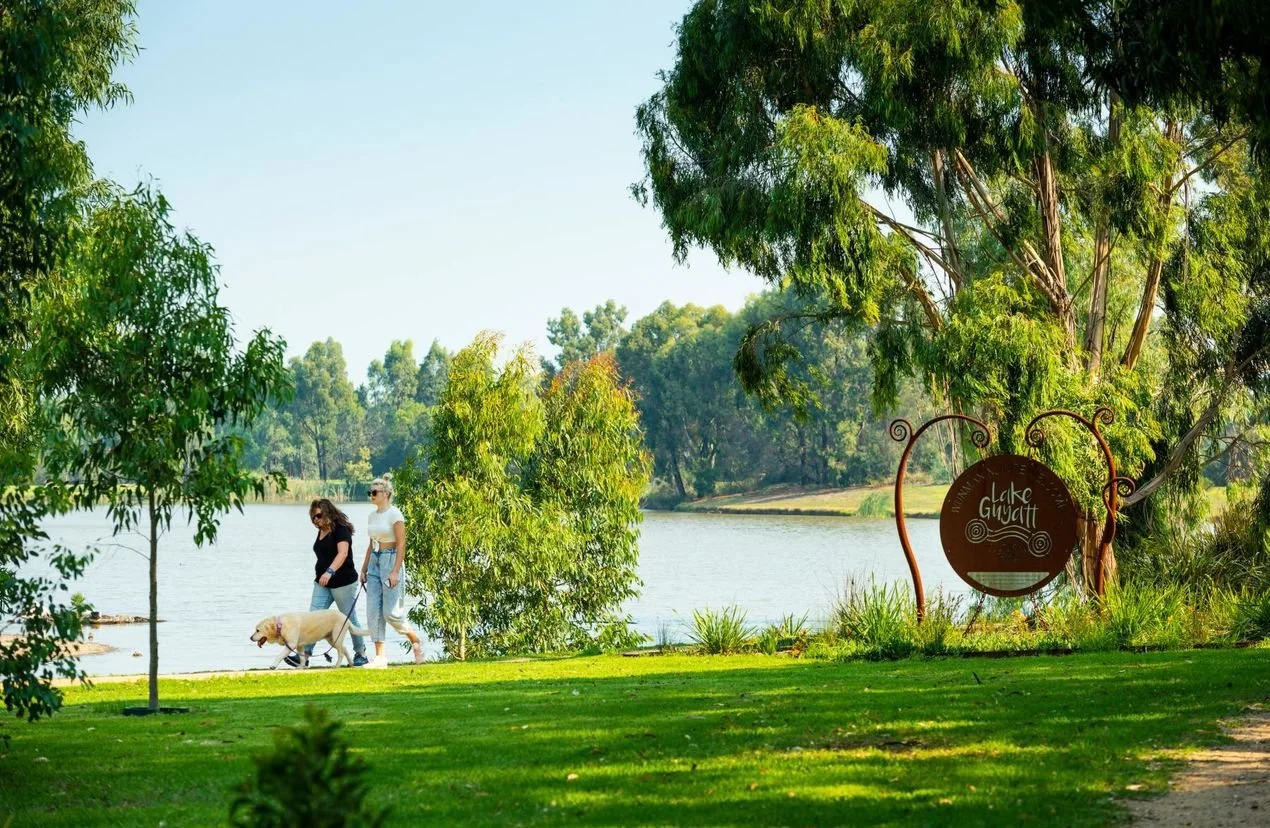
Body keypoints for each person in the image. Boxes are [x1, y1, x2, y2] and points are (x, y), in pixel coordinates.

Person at [285, 499, 369, 667]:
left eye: (318, 516)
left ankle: (361, 653)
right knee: (312, 617)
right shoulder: (321, 531)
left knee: (348, 619)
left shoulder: (341, 530)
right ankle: (305, 655)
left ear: (328, 513)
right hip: (322, 583)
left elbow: (343, 553)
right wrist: (324, 575)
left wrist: (330, 571)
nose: (315, 520)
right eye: (313, 517)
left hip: (343, 582)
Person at [360, 476, 425, 665]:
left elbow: (402, 543)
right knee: (373, 611)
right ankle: (380, 657)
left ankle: (415, 640)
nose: (371, 495)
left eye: (375, 492)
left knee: (391, 612)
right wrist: (364, 568)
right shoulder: (372, 516)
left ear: (386, 494)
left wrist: (396, 570)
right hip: (374, 560)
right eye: (369, 492)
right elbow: (371, 544)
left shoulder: (395, 514)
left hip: (390, 560)